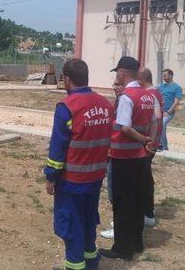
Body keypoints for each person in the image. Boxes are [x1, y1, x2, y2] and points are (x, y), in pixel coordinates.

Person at [44, 59, 113, 270]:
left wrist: (50, 176)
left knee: (71, 226)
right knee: (88, 220)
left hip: (71, 180)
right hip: (95, 178)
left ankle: (75, 266)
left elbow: (58, 148)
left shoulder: (67, 107)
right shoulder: (105, 104)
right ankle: (91, 262)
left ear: (67, 80)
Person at [99, 56, 156, 261]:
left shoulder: (127, 96)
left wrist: (143, 139)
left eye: (117, 73)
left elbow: (124, 126)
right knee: (138, 200)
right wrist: (149, 142)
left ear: (122, 72)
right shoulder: (148, 95)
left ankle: (122, 248)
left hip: (124, 156)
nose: (117, 76)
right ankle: (136, 243)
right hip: (141, 157)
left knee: (123, 203)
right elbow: (155, 120)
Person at [137, 67, 163, 228]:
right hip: (153, 141)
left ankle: (147, 212)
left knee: (144, 178)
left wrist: (148, 138)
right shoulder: (158, 92)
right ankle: (147, 211)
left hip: (149, 142)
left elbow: (157, 116)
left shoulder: (150, 95)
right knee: (146, 177)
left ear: (141, 80)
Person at [99, 80, 124, 239]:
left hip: (117, 152)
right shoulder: (119, 100)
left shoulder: (124, 100)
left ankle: (120, 227)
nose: (114, 87)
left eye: (117, 84)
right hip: (121, 151)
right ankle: (122, 223)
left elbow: (121, 128)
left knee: (115, 191)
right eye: (113, 84)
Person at [158, 69, 182, 151]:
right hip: (159, 111)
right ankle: (163, 146)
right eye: (163, 76)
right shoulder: (161, 86)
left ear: (171, 76)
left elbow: (176, 102)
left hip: (169, 111)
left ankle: (162, 146)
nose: (163, 77)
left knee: (163, 123)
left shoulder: (177, 87)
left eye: (165, 75)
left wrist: (168, 112)